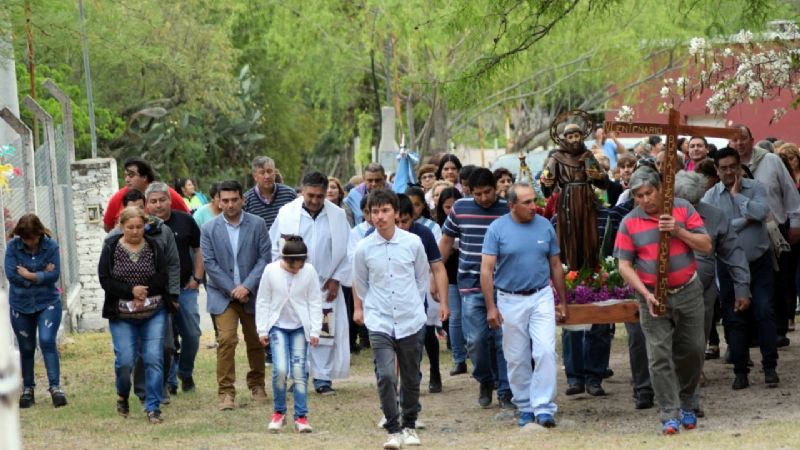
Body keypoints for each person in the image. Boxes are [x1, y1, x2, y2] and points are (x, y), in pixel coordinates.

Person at [614, 167, 711, 435]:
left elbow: (705, 245)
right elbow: (624, 265)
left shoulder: (681, 208)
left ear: (661, 189)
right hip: (651, 296)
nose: (645, 199)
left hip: (688, 291)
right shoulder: (629, 222)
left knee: (692, 349)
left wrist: (678, 231)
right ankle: (670, 412)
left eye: (649, 192)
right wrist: (644, 294)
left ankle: (689, 402)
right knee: (659, 356)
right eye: (638, 195)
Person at [480, 182, 567, 427]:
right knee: (516, 357)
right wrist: (491, 307)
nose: (534, 206)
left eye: (534, 200)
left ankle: (544, 407)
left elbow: (556, 265)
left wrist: (562, 301)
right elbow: (486, 271)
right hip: (509, 299)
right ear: (511, 205)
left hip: (541, 296)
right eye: (527, 202)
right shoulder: (496, 229)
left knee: (545, 351)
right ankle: (525, 405)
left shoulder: (544, 226)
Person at [352, 189, 430, 450]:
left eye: (385, 210)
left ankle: (410, 424)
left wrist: (412, 305)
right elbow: (361, 284)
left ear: (396, 213)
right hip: (380, 319)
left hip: (410, 318)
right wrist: (369, 309)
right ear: (369, 215)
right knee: (386, 374)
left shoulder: (412, 243)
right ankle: (393, 429)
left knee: (410, 376)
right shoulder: (363, 248)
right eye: (375, 211)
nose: (380, 216)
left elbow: (422, 278)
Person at [702, 147, 779, 389]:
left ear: (739, 166)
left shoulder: (754, 188)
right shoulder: (710, 197)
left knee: (764, 311)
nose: (728, 172)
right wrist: (746, 219)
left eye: (732, 167)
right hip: (728, 267)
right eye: (723, 168)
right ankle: (740, 370)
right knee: (734, 318)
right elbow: (715, 231)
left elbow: (762, 212)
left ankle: (770, 367)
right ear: (716, 170)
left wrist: (738, 198)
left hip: (759, 262)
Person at [674, 169, 750, 410]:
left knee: (697, 340)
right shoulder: (661, 215)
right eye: (685, 203)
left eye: (695, 202)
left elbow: (734, 253)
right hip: (667, 287)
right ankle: (673, 383)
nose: (691, 208)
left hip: (703, 290)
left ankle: (691, 379)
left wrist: (742, 287)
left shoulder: (715, 216)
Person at [270, 172, 351, 395]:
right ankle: (298, 376)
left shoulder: (337, 215)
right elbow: (275, 247)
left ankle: (323, 379)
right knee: (297, 329)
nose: (315, 201)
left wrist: (336, 279)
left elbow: (348, 250)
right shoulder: (287, 213)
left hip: (326, 284)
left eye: (320, 196)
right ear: (302, 191)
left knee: (324, 330)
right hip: (294, 282)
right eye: (310, 195)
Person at [439, 168, 513, 409]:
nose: (483, 198)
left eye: (487, 192)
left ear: (496, 188)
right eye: (477, 194)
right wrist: (434, 274)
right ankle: (484, 378)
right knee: (476, 340)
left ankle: (505, 390)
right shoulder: (460, 208)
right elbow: (447, 241)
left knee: (503, 340)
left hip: (502, 284)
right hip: (470, 284)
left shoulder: (507, 209)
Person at [98, 206, 175, 424]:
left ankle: (153, 407)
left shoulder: (154, 246)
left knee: (153, 358)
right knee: (125, 361)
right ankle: (122, 394)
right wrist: (131, 291)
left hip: (153, 312)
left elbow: (163, 276)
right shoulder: (111, 247)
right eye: (130, 227)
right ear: (121, 227)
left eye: (139, 227)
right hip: (122, 315)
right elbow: (105, 279)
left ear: (145, 226)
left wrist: (145, 291)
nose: (134, 231)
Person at [201, 180, 270, 410]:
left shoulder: (258, 224)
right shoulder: (209, 229)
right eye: (225, 200)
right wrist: (232, 289)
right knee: (227, 339)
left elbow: (264, 258)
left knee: (256, 340)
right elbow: (209, 264)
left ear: (242, 199)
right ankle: (226, 392)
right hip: (223, 295)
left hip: (252, 293)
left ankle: (257, 384)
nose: (230, 204)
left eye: (234, 200)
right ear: (218, 202)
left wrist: (247, 286)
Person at [730, 124, 800, 346]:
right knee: (746, 280)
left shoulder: (771, 160)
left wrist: (796, 222)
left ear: (752, 139)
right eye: (734, 140)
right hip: (741, 229)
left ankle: (779, 329)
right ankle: (751, 332)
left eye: (743, 138)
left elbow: (789, 192)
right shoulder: (728, 165)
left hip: (774, 228)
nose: (739, 143)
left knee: (778, 280)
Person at [256, 235, 322, 434]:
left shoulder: (309, 271)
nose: (296, 271)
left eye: (300, 267)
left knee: (299, 371)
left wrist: (316, 330)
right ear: (284, 260)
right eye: (293, 267)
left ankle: (301, 416)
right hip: (277, 326)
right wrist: (262, 329)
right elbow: (263, 300)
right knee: (281, 369)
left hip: (300, 327)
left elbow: (315, 301)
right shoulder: (271, 270)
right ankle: (279, 412)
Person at [145, 182, 204, 394]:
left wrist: (197, 278)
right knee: (165, 340)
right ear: (147, 204)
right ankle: (169, 382)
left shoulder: (185, 221)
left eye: (162, 200)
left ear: (171, 200)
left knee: (192, 334)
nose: (158, 205)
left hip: (185, 287)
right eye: (153, 201)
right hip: (157, 293)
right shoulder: (143, 227)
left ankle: (185, 371)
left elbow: (199, 249)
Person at [5, 214, 67, 408]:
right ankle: (28, 388)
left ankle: (55, 387)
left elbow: (55, 274)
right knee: (26, 347)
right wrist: (41, 276)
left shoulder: (51, 246)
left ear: (40, 233)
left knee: (47, 340)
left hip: (47, 302)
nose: (30, 243)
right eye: (26, 239)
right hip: (20, 305)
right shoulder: (13, 248)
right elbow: (11, 275)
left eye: (33, 238)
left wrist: (30, 275)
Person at [243, 156, 297, 366]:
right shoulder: (247, 200)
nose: (267, 175)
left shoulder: (288, 194)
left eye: (270, 171)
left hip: (287, 258)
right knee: (265, 304)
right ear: (255, 175)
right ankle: (270, 348)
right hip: (260, 262)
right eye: (262, 172)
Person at [395, 194, 450, 393]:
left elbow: (438, 267)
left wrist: (444, 302)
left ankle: (434, 371)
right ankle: (411, 375)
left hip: (418, 295)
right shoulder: (378, 235)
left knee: (424, 333)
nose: (401, 226)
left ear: (414, 217)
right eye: (396, 221)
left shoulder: (423, 233)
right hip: (391, 298)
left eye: (405, 221)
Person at [542, 123, 609, 270]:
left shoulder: (588, 155)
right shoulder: (557, 157)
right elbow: (547, 181)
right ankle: (570, 273)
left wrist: (599, 176)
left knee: (588, 235)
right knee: (569, 235)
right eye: (570, 137)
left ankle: (590, 273)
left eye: (576, 136)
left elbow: (603, 182)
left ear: (581, 137)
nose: (574, 140)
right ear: (565, 139)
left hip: (586, 201)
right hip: (567, 201)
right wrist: (546, 182)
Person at [102, 158, 189, 232]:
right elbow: (108, 227)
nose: (127, 179)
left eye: (131, 175)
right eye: (126, 176)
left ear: (144, 177)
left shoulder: (166, 193)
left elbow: (187, 219)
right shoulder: (119, 197)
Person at [435, 187, 467, 376]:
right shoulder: (438, 225)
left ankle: (471, 350)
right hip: (450, 275)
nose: (451, 211)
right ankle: (459, 359)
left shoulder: (468, 221)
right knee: (455, 317)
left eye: (455, 206)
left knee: (470, 316)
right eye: (447, 207)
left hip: (471, 275)